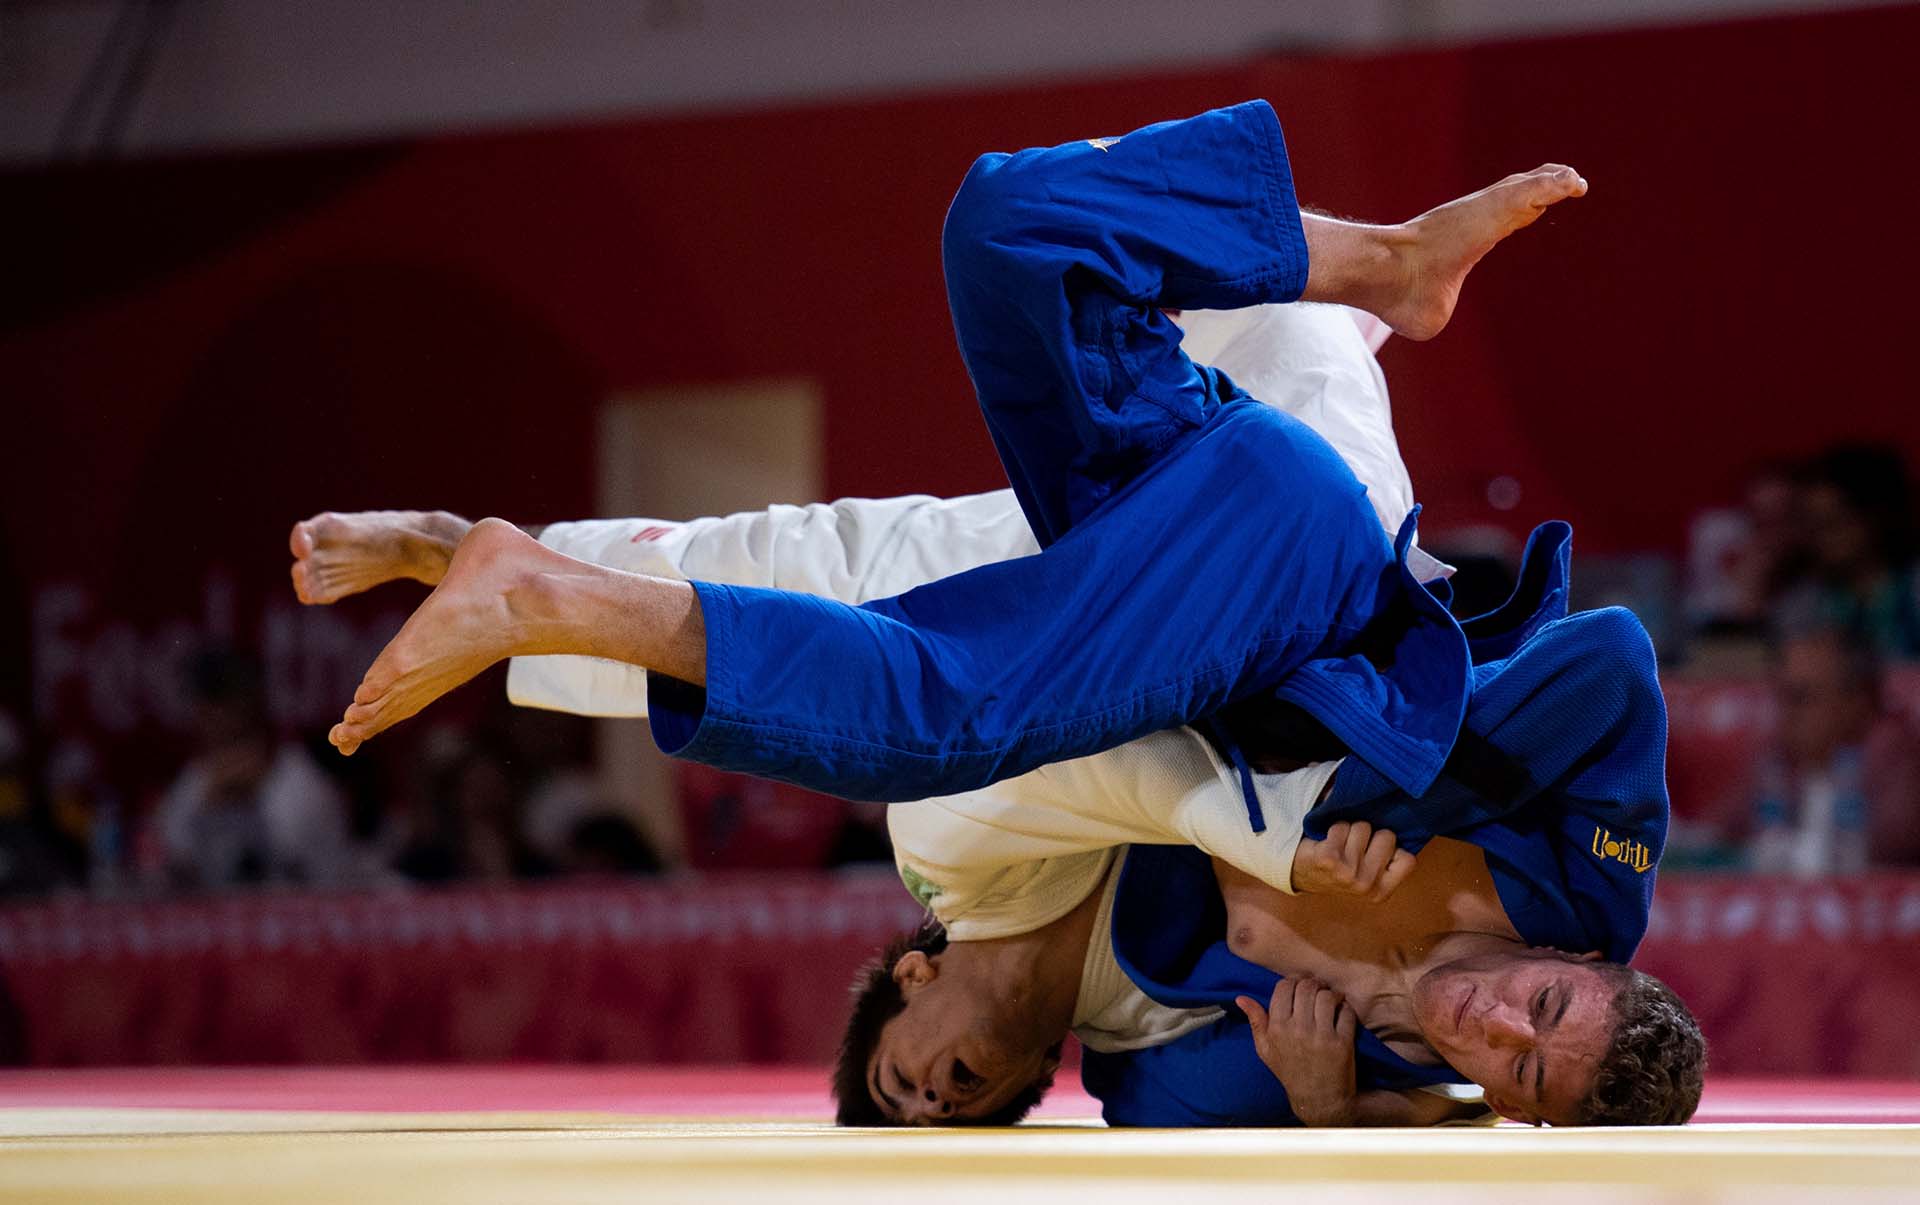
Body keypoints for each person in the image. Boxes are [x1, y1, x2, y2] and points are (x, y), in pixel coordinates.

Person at [290, 301, 1700, 1125]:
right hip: (1302, 586)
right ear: (1584, 960)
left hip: (1141, 645)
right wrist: (1391, 805)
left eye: (1512, 1075)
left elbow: (1175, 1067)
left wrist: (1337, 1116)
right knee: (1282, 332)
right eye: (1543, 1006)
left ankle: (508, 566)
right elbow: (1616, 659)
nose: (1491, 1025)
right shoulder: (1585, 877)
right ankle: (1357, 265)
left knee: (870, 595)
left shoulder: (1331, 1052)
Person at [318, 100, 1587, 830]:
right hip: (1305, 548)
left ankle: (512, 575)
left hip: (1208, 530)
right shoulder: (1312, 400)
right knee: (942, 697)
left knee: (1012, 233)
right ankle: (524, 584)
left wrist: (446, 540)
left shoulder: (1071, 525)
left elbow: (784, 562)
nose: (942, 1081)